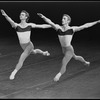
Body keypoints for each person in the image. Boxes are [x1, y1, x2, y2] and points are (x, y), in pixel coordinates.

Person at [37, 13, 100, 82]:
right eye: (62, 18)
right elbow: (50, 22)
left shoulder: (72, 29)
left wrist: (97, 21)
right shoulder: (58, 28)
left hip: (69, 49)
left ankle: (59, 75)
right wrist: (43, 17)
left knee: (64, 62)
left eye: (64, 19)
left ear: (68, 21)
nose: (62, 20)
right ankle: (85, 62)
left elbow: (86, 25)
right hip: (63, 50)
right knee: (75, 57)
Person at [1, 9, 52, 80]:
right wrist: (5, 15)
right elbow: (10, 20)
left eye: (23, 14)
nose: (20, 15)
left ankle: (14, 72)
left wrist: (52, 25)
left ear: (26, 17)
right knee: (34, 52)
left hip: (29, 45)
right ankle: (44, 53)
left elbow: (42, 26)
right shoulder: (16, 26)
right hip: (23, 46)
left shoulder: (29, 25)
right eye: (20, 14)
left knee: (21, 58)